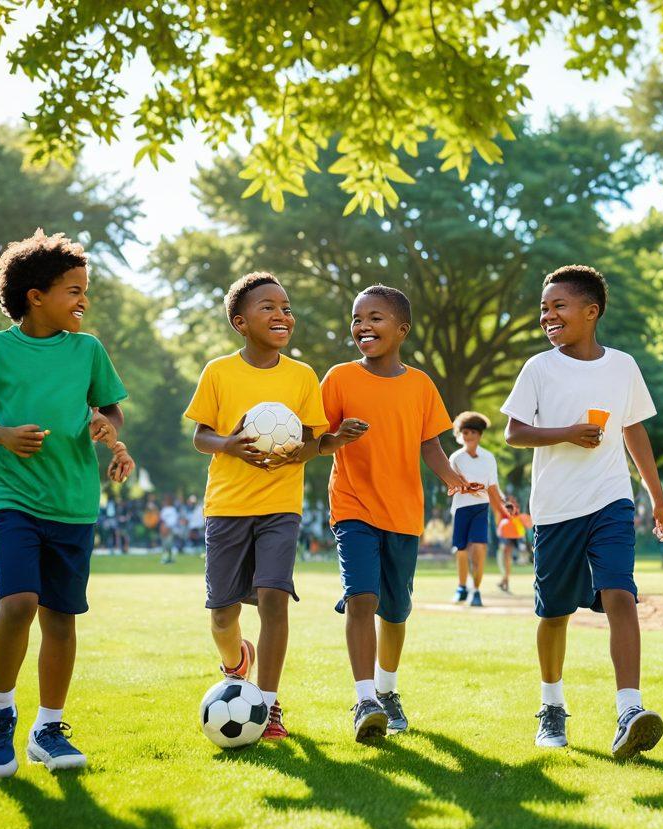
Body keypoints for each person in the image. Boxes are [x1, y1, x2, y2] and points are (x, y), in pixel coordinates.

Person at [0, 229, 134, 780]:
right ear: (35, 296)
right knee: (19, 603)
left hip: (74, 503)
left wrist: (107, 428)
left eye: (85, 291)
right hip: (14, 497)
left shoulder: (88, 350)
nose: (84, 301)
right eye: (74, 291)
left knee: (60, 617)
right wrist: (2, 434)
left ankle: (48, 728)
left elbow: (110, 411)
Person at [502, 264, 663, 759]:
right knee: (554, 613)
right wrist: (568, 433)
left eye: (559, 306)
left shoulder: (623, 366)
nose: (547, 316)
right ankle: (551, 706)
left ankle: (630, 710)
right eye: (544, 309)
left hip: (611, 500)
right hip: (556, 509)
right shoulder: (539, 368)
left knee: (620, 594)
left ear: (591, 311)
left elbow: (634, 430)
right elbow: (514, 433)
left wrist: (657, 496)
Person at [319, 284, 480, 743]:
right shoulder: (339, 379)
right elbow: (317, 441)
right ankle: (365, 698)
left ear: (402, 329)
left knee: (395, 613)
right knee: (361, 598)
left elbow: (430, 445)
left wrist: (452, 477)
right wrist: (338, 438)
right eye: (357, 319)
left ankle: (387, 691)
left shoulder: (421, 385)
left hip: (404, 513)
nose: (363, 326)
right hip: (352, 505)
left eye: (375, 318)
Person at [185, 271, 330, 742]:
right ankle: (235, 661)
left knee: (273, 598)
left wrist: (305, 451)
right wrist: (228, 444)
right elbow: (201, 436)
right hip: (227, 506)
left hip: (281, 506)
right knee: (222, 614)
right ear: (240, 322)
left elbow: (312, 443)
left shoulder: (302, 376)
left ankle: (267, 704)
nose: (281, 314)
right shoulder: (218, 371)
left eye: (286, 307)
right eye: (268, 307)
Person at [448, 411, 517, 607]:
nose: (468, 436)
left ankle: (476, 591)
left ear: (479, 435)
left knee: (479, 548)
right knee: (461, 550)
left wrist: (504, 502)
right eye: (465, 432)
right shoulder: (456, 458)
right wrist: (463, 487)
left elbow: (493, 486)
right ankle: (461, 587)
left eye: (472, 432)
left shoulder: (488, 458)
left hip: (481, 508)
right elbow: (451, 484)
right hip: (461, 508)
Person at [495, 496, 530, 592]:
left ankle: (505, 580)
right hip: (511, 535)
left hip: (511, 535)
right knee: (506, 559)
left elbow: (500, 521)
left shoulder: (507, 510)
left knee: (506, 558)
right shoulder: (510, 509)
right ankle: (505, 581)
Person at [159, 497, 179, 563]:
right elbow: (161, 519)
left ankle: (171, 558)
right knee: (164, 544)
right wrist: (163, 527)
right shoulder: (164, 509)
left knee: (170, 544)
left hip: (170, 529)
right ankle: (165, 558)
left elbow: (174, 520)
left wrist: (168, 527)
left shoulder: (173, 510)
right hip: (164, 528)